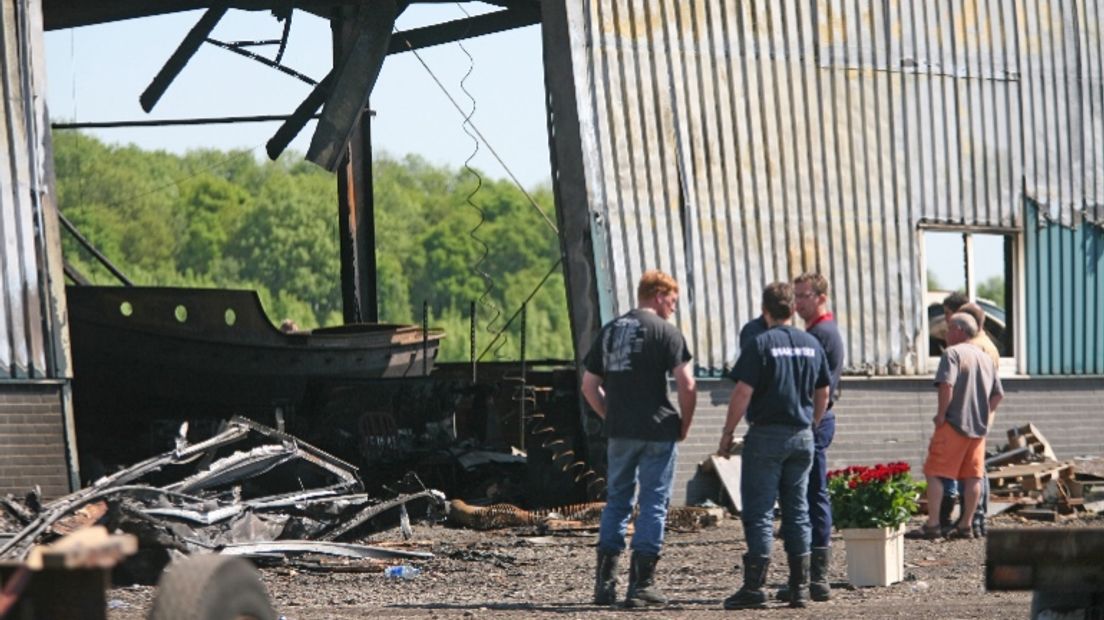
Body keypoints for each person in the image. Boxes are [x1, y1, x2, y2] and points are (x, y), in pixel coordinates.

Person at [581, 269, 696, 609]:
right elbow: (687, 384)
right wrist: (684, 425)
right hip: (658, 431)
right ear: (658, 295)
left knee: (617, 500)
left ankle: (605, 587)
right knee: (653, 504)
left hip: (620, 432)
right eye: (672, 301)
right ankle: (641, 586)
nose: (673, 308)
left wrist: (610, 416)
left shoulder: (611, 330)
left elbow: (589, 385)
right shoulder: (667, 333)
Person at [718, 282, 831, 610]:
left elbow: (742, 392)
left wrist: (727, 433)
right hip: (802, 436)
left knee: (760, 511)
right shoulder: (811, 343)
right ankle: (799, 588)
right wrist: (814, 423)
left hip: (767, 436)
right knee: (798, 510)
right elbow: (824, 391)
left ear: (765, 310)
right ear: (792, 308)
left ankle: (755, 588)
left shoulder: (760, 343)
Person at [914, 313, 1004, 540]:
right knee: (973, 477)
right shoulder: (984, 358)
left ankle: (933, 525)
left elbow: (946, 384)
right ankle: (965, 525)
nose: (945, 335)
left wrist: (941, 414)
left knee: (934, 473)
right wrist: (984, 414)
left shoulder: (952, 354)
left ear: (959, 330)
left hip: (953, 424)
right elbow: (998, 395)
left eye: (948, 329)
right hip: (978, 429)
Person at [788, 272, 845, 601]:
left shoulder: (822, 334)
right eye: (795, 296)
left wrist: (810, 421)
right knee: (808, 497)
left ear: (821, 297)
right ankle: (810, 574)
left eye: (804, 296)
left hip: (815, 420)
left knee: (813, 495)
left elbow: (818, 386)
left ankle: (817, 576)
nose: (798, 303)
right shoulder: (816, 331)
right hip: (814, 418)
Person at [937, 296, 999, 536]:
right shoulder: (987, 345)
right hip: (978, 415)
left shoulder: (977, 347)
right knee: (973, 467)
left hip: (969, 417)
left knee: (974, 469)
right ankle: (972, 518)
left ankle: (975, 518)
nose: (947, 324)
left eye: (950, 319)